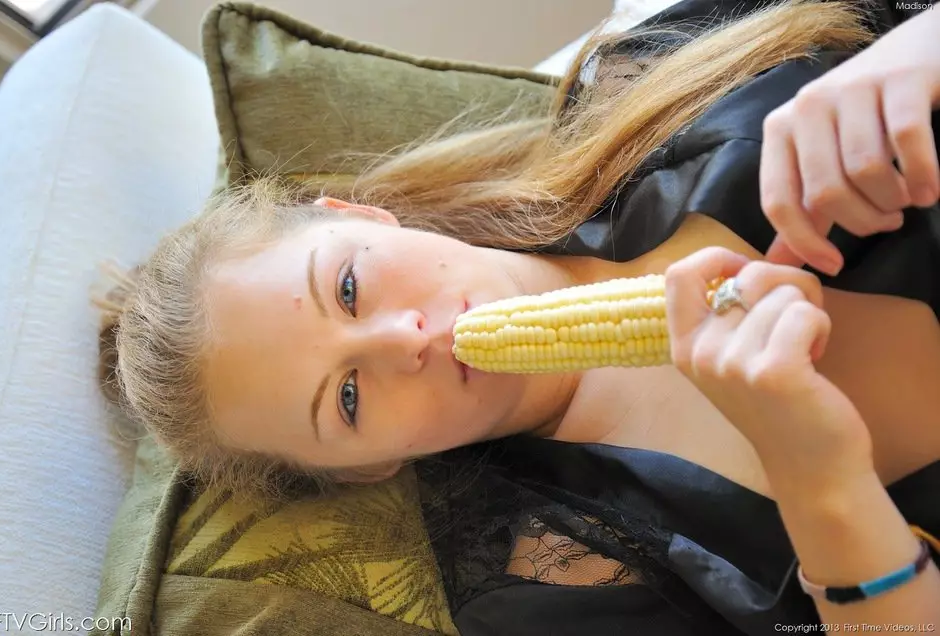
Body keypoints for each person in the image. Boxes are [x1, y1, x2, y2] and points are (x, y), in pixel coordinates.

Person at [94, 0, 940, 632]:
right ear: (365, 469)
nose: (406, 340)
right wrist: (821, 479)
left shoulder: (652, 81)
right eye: (348, 398)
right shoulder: (561, 585)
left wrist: (919, 47)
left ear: (360, 216)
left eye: (349, 288)